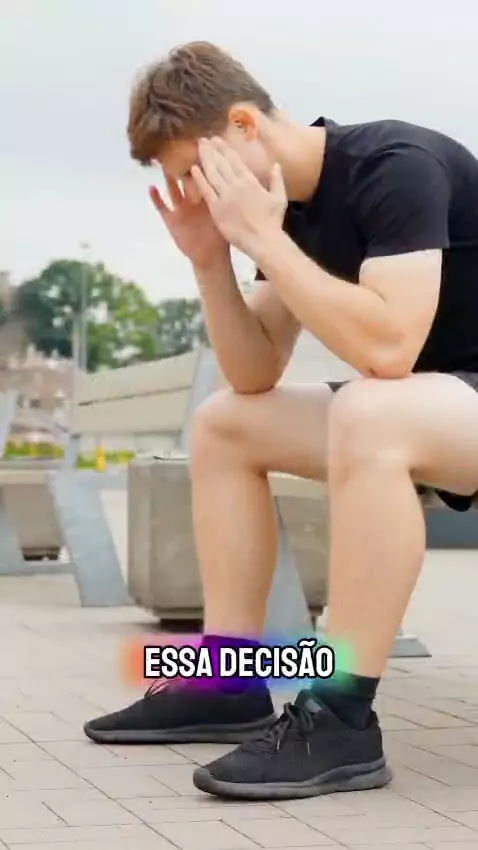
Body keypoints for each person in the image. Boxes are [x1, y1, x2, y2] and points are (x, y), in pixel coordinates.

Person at [84, 41, 478, 800]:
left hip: (439, 402)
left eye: (195, 173)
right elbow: (254, 372)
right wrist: (211, 261)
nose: (196, 194)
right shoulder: (288, 212)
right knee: (225, 424)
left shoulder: (395, 165)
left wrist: (264, 239)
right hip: (440, 409)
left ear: (242, 124)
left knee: (369, 407)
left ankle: (340, 717)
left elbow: (391, 349)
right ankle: (227, 679)